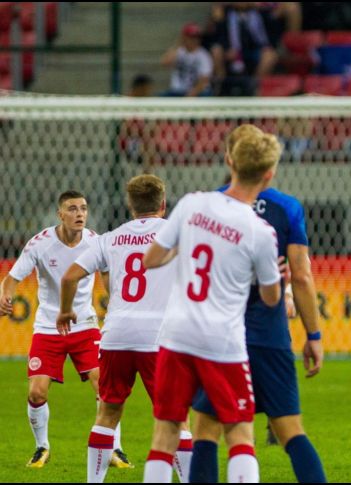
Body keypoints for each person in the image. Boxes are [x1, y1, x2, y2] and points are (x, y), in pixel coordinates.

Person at [141, 127, 283, 483]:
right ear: (269, 174)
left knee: (166, 432)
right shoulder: (261, 232)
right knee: (239, 432)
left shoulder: (192, 203)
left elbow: (151, 259)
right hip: (222, 341)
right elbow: (270, 299)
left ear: (229, 160)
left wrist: (187, 244)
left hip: (176, 334)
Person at [188, 124, 326, 483]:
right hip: (271, 334)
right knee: (290, 430)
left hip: (219, 334)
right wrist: (313, 334)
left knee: (206, 427)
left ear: (229, 159)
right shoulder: (287, 209)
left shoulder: (207, 206)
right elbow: (302, 275)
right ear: (271, 169)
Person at [55, 175, 192, 483]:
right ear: (163, 204)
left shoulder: (110, 238)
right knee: (176, 417)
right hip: (160, 337)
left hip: (117, 334)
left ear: (131, 206)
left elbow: (68, 277)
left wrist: (65, 311)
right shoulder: (177, 234)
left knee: (107, 413)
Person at [0, 191, 132, 469]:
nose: (80, 214)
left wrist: (117, 302)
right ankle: (42, 447)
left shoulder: (96, 242)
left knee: (104, 385)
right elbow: (12, 277)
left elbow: (108, 276)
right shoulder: (40, 243)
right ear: (60, 214)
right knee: (37, 393)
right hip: (48, 327)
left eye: (83, 208)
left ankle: (115, 449)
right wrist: (5, 295)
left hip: (84, 325)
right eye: (72, 209)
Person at [160, 22, 214, 97]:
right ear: (184, 37)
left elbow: (204, 79)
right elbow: (164, 62)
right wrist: (178, 44)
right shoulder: (178, 51)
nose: (194, 40)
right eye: (191, 37)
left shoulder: (203, 55)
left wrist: (192, 94)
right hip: (177, 91)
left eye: (197, 37)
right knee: (161, 97)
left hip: (198, 92)